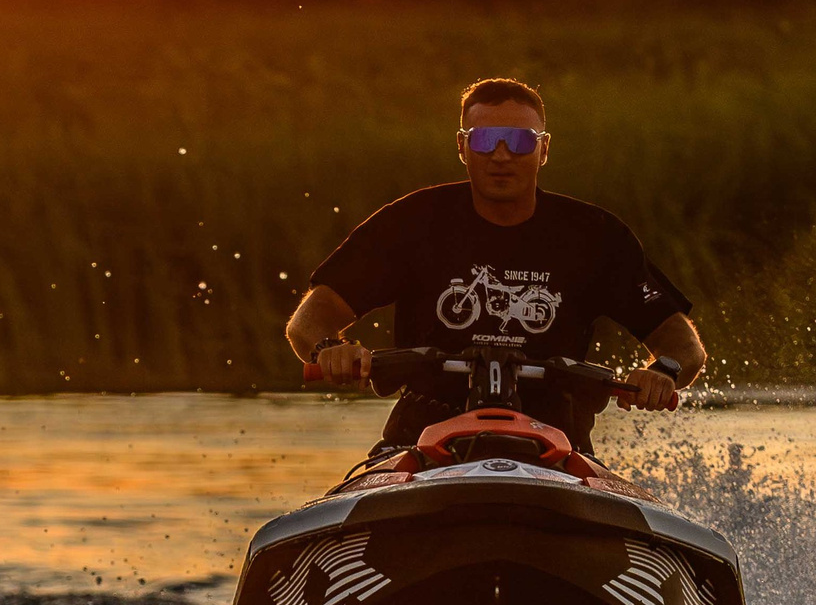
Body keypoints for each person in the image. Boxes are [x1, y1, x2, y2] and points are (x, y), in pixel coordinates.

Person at [285, 77, 707, 454]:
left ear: (543, 149)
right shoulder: (410, 222)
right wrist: (329, 349)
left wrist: (663, 372)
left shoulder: (597, 235)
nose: (501, 155)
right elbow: (307, 322)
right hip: (419, 442)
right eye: (485, 140)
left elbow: (684, 347)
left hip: (559, 449)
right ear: (462, 147)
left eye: (519, 141)